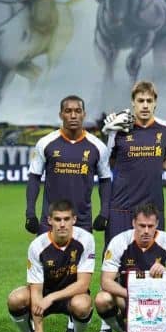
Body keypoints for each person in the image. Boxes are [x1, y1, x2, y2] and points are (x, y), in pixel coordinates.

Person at [94, 81, 166, 332]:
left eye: (149, 101)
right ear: (133, 103)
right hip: (121, 208)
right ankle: (108, 326)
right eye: (140, 101)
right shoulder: (121, 129)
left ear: (155, 103)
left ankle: (151, 321)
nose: (144, 106)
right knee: (115, 267)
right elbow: (105, 164)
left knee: (152, 266)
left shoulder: (165, 130)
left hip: (152, 210)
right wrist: (107, 132)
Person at [94, 203, 166, 332]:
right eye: (141, 225)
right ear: (133, 223)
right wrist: (132, 294)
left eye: (150, 226)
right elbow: (105, 281)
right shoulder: (120, 241)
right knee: (102, 299)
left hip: (158, 300)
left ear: (157, 224)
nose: (146, 231)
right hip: (127, 298)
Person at [7, 200, 95, 332]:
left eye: (66, 219)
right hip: (43, 294)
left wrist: (52, 297)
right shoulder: (37, 246)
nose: (62, 224)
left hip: (71, 295)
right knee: (16, 299)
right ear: (49, 220)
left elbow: (83, 284)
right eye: (57, 219)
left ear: (74, 219)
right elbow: (36, 291)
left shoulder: (86, 240)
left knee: (83, 304)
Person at [25, 95, 112, 234]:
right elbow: (34, 177)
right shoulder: (45, 143)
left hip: (82, 222)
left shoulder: (98, 146)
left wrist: (104, 213)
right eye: (68, 111)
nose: (73, 115)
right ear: (61, 115)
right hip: (51, 221)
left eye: (77, 111)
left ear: (84, 114)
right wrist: (30, 214)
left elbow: (105, 180)